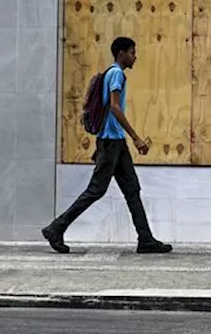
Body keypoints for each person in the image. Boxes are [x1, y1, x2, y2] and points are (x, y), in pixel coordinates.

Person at [43, 36, 173, 255]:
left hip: (115, 142)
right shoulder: (116, 74)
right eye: (132, 52)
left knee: (132, 189)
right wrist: (136, 137)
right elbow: (114, 107)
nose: (135, 56)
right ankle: (56, 228)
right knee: (96, 190)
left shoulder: (113, 74)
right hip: (112, 142)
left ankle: (146, 239)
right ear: (121, 53)